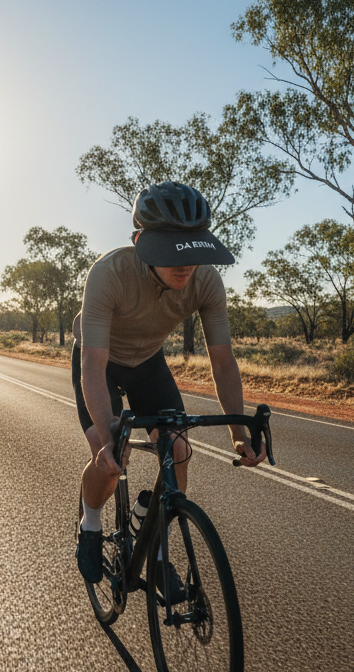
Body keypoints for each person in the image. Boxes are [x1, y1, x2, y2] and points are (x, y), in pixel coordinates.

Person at [72, 181, 266, 584]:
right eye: (171, 251)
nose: (185, 265)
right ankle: (90, 524)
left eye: (192, 249)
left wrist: (238, 431)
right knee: (111, 462)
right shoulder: (110, 273)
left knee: (177, 446)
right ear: (141, 242)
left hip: (147, 362)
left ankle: (157, 550)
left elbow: (223, 360)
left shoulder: (206, 281)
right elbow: (92, 360)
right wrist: (109, 440)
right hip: (100, 361)